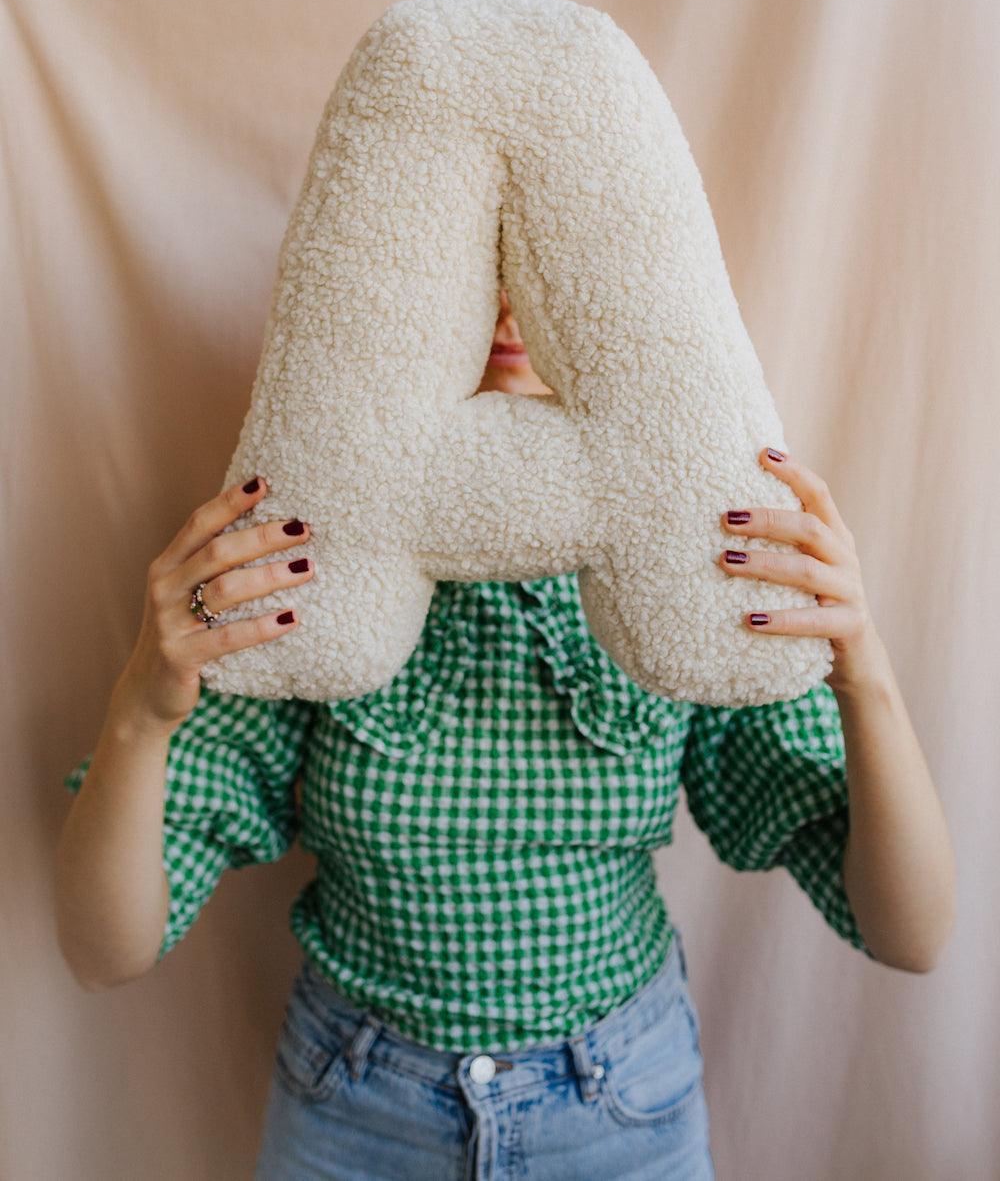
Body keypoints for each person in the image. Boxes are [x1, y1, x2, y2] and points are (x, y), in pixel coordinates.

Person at [55, 288, 954, 1180]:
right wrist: (144, 706)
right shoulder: (313, 564)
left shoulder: (690, 565)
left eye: (540, 265)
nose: (509, 315)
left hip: (620, 1107)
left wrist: (862, 670)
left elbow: (909, 935)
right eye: (477, 270)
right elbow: (105, 950)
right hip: (355, 1109)